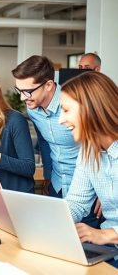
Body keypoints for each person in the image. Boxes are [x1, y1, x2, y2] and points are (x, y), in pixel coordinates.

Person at [12, 55, 101, 227]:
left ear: (48, 85)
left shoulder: (77, 104)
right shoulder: (33, 109)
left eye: (28, 91)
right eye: (19, 91)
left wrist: (105, 192)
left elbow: (102, 146)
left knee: (89, 247)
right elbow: (45, 143)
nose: (23, 98)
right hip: (57, 184)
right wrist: (47, 175)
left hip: (88, 188)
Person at [59, 71, 118, 267]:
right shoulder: (88, 152)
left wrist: (106, 234)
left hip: (108, 242)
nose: (61, 120)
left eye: (66, 110)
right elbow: (76, 203)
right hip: (109, 251)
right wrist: (45, 219)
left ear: (91, 108)